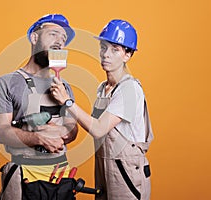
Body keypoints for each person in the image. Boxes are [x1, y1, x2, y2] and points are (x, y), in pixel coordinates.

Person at [50, 19, 154, 200]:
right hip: (104, 168)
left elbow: (98, 129)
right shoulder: (103, 88)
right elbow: (92, 125)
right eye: (104, 47)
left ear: (127, 55)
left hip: (127, 173)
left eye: (115, 49)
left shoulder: (129, 89)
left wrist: (67, 102)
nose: (106, 54)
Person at [0, 14, 78, 199]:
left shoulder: (64, 87)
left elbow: (73, 129)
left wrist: (62, 132)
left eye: (63, 39)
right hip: (24, 176)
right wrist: (39, 138)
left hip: (61, 177)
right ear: (34, 37)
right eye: (53, 34)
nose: (59, 42)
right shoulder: (7, 82)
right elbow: (1, 131)